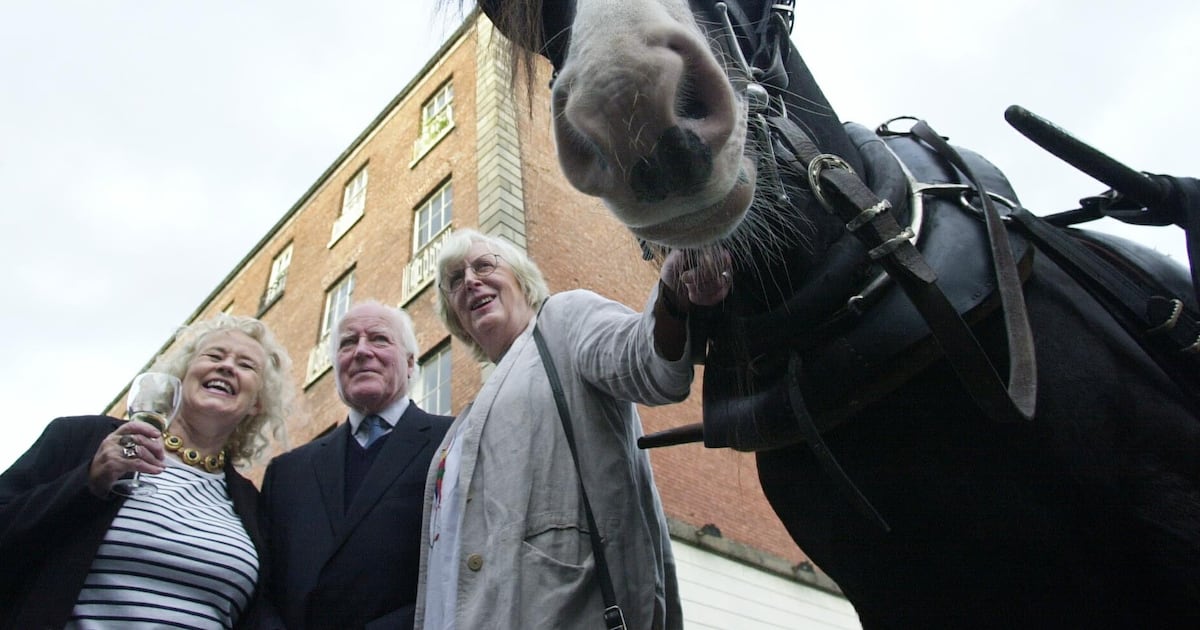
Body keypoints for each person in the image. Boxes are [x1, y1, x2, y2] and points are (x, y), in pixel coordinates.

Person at [415, 229, 731, 630]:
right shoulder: (465, 423)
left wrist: (673, 292)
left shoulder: (562, 321)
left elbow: (645, 362)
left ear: (521, 279)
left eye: (483, 265)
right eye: (455, 280)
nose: (471, 281)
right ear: (454, 315)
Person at [0, 314, 294, 629]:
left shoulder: (252, 503)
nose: (227, 367)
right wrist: (88, 480)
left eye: (246, 365)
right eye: (214, 356)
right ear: (181, 376)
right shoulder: (83, 439)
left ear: (257, 404)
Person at [260, 300, 454, 629]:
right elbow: (262, 588)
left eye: (379, 338)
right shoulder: (287, 473)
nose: (361, 351)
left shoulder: (453, 441)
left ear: (409, 362)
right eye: (348, 342)